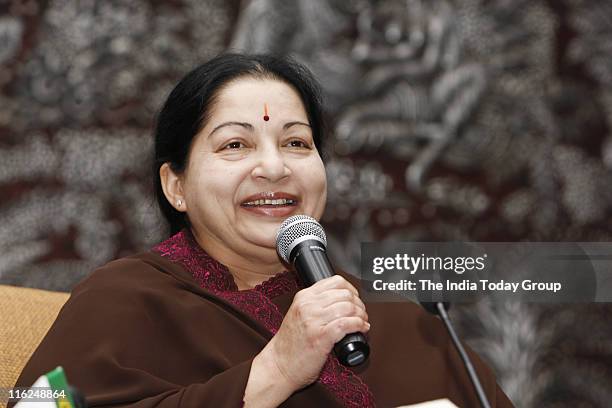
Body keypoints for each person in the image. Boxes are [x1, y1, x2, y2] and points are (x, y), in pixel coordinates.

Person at [12, 53, 514, 407]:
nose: (274, 168)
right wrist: (272, 372)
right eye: (235, 146)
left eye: (296, 143)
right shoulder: (121, 299)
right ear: (176, 185)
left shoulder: (404, 322)